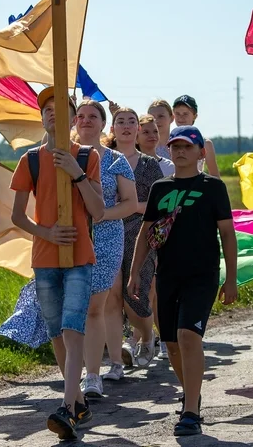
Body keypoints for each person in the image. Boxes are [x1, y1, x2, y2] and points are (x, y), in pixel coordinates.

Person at [129, 126, 238, 437]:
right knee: (172, 344)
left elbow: (227, 235)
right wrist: (136, 272)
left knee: (188, 336)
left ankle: (190, 411)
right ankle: (193, 391)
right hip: (168, 275)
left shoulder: (213, 187)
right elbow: (145, 233)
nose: (180, 152)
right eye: (175, 146)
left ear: (201, 152)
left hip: (202, 275)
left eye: (187, 147)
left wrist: (230, 279)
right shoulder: (161, 188)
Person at [10, 87, 104, 441]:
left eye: (61, 109)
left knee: (72, 327)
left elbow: (97, 211)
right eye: (47, 109)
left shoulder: (86, 157)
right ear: (42, 118)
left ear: (72, 118)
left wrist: (76, 173)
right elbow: (19, 216)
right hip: (44, 257)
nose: (53, 114)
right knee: (56, 332)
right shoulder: (30, 160)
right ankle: (78, 402)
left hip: (80, 256)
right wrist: (46, 233)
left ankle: (67, 408)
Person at [75, 100, 137, 394]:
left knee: (94, 307)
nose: (86, 121)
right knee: (74, 307)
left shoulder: (115, 160)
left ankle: (94, 375)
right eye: (80, 116)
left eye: (92, 117)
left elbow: (129, 203)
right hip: (71, 239)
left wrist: (102, 215)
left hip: (108, 238)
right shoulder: (63, 157)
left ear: (103, 125)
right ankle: (77, 369)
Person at [104, 107, 164, 369]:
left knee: (137, 292)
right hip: (107, 231)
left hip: (142, 233)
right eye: (121, 121)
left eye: (131, 122)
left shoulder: (150, 165)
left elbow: (160, 202)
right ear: (113, 128)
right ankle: (116, 360)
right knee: (112, 296)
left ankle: (148, 336)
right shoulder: (103, 160)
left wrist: (130, 206)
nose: (126, 126)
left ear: (137, 130)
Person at [136, 113, 173, 360]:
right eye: (145, 131)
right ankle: (141, 338)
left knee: (158, 289)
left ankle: (163, 339)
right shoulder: (128, 163)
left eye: (154, 131)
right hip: (133, 231)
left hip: (164, 232)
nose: (151, 136)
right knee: (142, 288)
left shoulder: (168, 166)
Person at [172, 95, 220, 177]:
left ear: (195, 116)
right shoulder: (169, 142)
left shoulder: (205, 143)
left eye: (185, 114)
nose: (181, 117)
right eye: (177, 113)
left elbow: (215, 176)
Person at [138, 113, 175, 178]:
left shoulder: (170, 167)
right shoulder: (131, 164)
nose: (152, 135)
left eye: (155, 131)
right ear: (136, 138)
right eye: (146, 132)